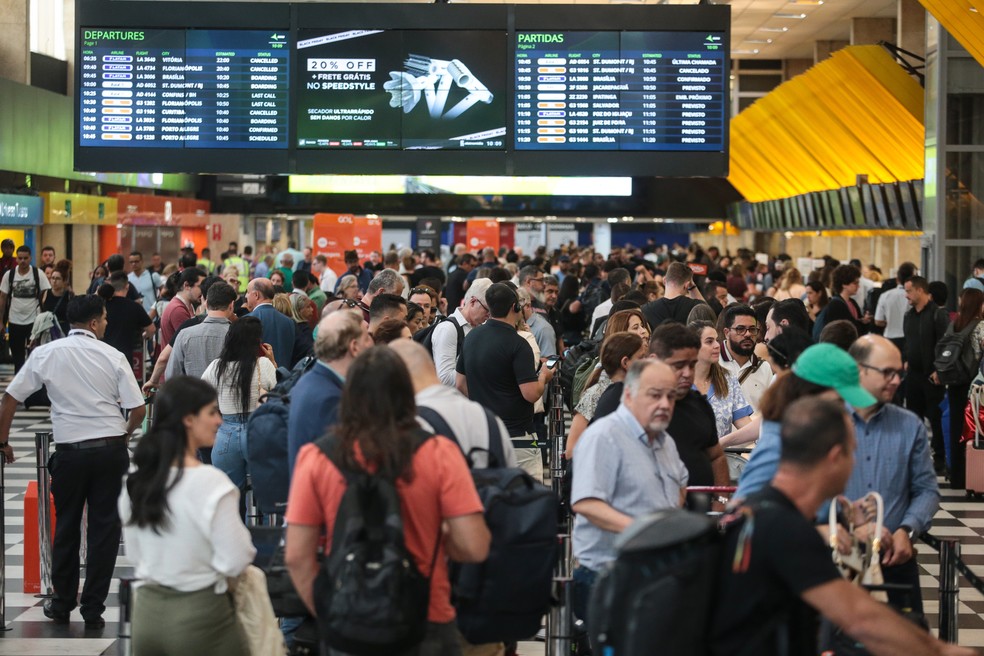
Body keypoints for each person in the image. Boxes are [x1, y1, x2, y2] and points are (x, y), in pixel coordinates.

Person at [712, 397, 972, 656]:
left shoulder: (762, 509)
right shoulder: (785, 528)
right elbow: (860, 618)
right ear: (835, 457)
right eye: (853, 452)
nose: (856, 463)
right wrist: (938, 650)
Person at [284, 346, 491, 656]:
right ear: (407, 393)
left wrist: (329, 612)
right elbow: (475, 546)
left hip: (348, 620)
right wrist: (440, 537)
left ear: (348, 394)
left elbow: (296, 557)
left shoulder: (315, 458)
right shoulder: (438, 453)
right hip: (426, 616)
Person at [0, 295, 146, 628]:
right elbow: (138, 409)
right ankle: (93, 609)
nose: (107, 323)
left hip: (69, 452)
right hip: (110, 451)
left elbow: (10, 399)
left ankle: (62, 603)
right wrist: (123, 435)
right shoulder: (113, 355)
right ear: (94, 323)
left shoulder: (46, 353)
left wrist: (3, 441)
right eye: (105, 319)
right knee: (104, 529)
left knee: (66, 526)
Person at [120, 377, 255, 655]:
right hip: (202, 615)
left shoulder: (135, 479)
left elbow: (134, 553)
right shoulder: (212, 483)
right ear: (189, 419)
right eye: (212, 412)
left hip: (146, 613)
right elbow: (237, 558)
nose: (219, 420)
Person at [570, 359, 688, 633]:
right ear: (629, 394)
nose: (665, 404)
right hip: (609, 574)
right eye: (655, 395)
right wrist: (645, 531)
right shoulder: (604, 436)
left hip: (655, 572)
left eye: (671, 396)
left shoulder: (664, 441)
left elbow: (680, 483)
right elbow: (586, 503)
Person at [845, 335, 940, 613]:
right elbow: (806, 490)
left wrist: (907, 530)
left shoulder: (910, 426)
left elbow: (927, 489)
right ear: (858, 370)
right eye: (887, 372)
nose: (897, 380)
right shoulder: (825, 422)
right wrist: (848, 522)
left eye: (899, 373)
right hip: (839, 560)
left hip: (894, 562)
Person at [735, 343, 877, 499]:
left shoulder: (815, 437)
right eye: (838, 403)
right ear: (809, 394)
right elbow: (744, 513)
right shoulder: (779, 446)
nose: (845, 414)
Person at [456, 282, 554, 480]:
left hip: (483, 434)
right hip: (517, 438)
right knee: (525, 500)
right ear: (515, 307)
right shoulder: (519, 344)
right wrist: (544, 375)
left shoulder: (472, 337)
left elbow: (460, 383)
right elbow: (531, 394)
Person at [647, 322, 730, 492]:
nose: (687, 373)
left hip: (703, 510)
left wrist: (721, 499)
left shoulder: (699, 404)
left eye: (692, 365)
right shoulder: (634, 409)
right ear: (654, 361)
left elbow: (716, 457)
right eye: (678, 366)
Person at [201, 316, 278, 495]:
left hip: (225, 434)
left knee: (229, 496)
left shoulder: (216, 367)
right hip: (258, 432)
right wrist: (273, 360)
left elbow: (200, 397)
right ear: (256, 341)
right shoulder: (263, 364)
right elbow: (279, 392)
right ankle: (265, 524)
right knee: (266, 494)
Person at [288, 311, 373, 472]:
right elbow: (339, 471)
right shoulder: (331, 400)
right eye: (367, 337)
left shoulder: (312, 381)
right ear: (354, 347)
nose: (372, 343)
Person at [566, 332, 647, 458]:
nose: (647, 363)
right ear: (625, 362)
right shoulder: (596, 394)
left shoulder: (641, 394)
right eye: (641, 358)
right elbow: (571, 451)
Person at [904, 276, 951, 472]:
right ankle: (914, 455)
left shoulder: (937, 315)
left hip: (932, 376)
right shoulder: (909, 316)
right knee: (913, 416)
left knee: (935, 415)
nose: (906, 295)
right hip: (913, 374)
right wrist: (906, 359)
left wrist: (939, 369)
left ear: (920, 291)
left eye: (909, 291)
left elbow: (946, 343)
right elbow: (909, 342)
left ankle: (939, 456)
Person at [943, 288, 984, 488]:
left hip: (954, 381)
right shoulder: (980, 326)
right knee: (971, 430)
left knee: (955, 427)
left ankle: (957, 476)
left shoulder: (956, 324)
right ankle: (972, 475)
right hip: (973, 385)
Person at [690, 320, 754, 438]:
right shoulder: (678, 381)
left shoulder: (728, 379)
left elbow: (744, 423)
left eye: (717, 340)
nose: (717, 345)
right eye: (709, 341)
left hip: (721, 454)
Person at [432, 278, 493, 387]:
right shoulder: (448, 328)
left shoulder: (480, 327)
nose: (489, 315)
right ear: (473, 302)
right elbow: (444, 379)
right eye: (486, 309)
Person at [0, 244, 51, 371]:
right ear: (16, 259)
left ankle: (33, 386)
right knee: (18, 358)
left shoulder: (38, 274)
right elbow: (3, 298)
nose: (22, 261)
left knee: (33, 355)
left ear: (30, 258)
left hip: (33, 321)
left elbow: (47, 293)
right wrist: (1, 321)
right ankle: (19, 385)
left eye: (25, 258)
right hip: (14, 320)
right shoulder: (9, 275)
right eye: (20, 258)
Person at [717, 304, 771, 411]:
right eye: (740, 329)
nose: (747, 334)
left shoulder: (764, 367)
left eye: (752, 329)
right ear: (727, 333)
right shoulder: (713, 362)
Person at [97, 271, 156, 359]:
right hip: (126, 356)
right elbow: (151, 329)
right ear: (127, 286)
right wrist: (146, 336)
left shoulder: (102, 306)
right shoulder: (135, 307)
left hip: (104, 355)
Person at [244, 277, 296, 370]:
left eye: (247, 292)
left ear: (256, 295)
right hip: (283, 379)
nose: (245, 296)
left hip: (259, 380)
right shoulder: (289, 322)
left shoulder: (247, 321)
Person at [640, 261, 705, 328]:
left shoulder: (645, 309)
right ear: (687, 285)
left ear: (664, 280)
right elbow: (707, 312)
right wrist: (692, 287)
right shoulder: (695, 306)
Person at [159, 268, 204, 347]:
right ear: (186, 285)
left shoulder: (188, 305)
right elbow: (190, 341)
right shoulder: (178, 309)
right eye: (200, 286)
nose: (203, 291)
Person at [823, 264, 870, 336]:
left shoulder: (852, 302)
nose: (858, 286)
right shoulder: (835, 305)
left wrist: (864, 321)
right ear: (844, 284)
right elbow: (849, 327)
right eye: (855, 283)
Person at [128, 251, 164, 317]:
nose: (134, 264)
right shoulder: (128, 278)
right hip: (134, 316)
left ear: (142, 261)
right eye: (131, 262)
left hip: (152, 315)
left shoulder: (153, 275)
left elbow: (164, 291)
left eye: (136, 261)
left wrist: (158, 305)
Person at [42, 266, 74, 336]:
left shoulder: (69, 296)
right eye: (52, 278)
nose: (54, 281)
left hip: (64, 331)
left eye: (58, 278)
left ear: (64, 281)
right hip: (48, 331)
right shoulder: (45, 293)